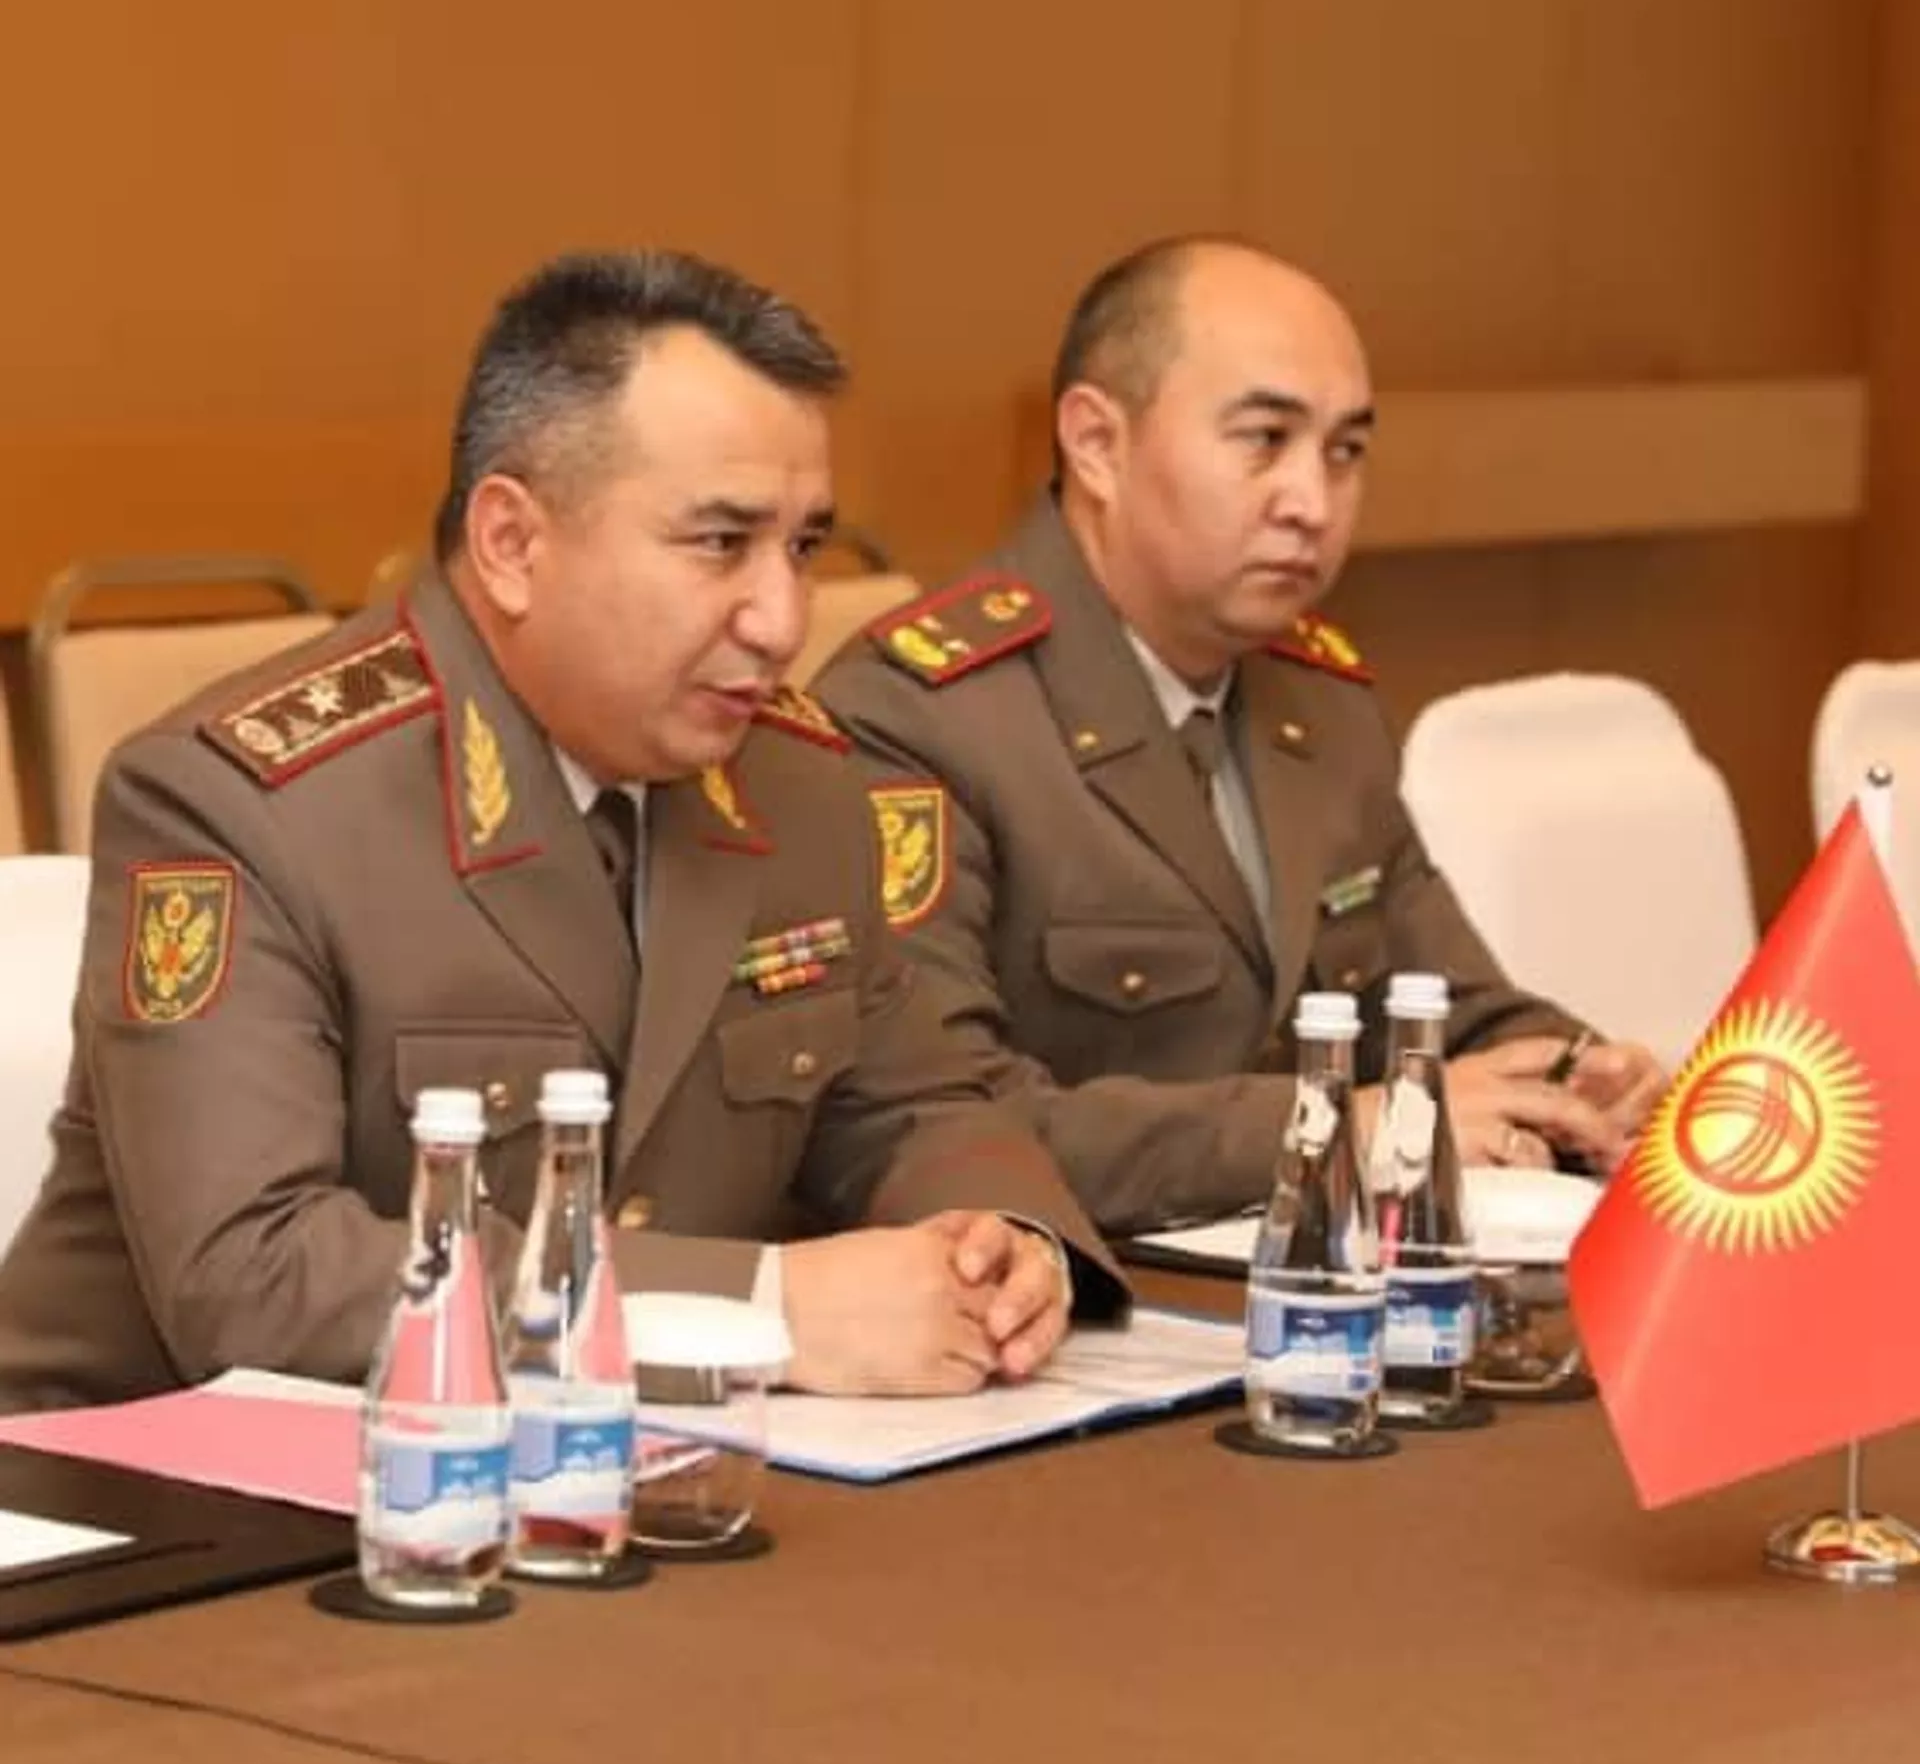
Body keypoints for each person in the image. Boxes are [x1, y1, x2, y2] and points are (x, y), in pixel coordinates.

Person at [0, 250, 1126, 1411]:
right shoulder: (244, 805)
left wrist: (1003, 1243)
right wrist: (756, 1311)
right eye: (720, 543)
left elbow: (913, 1101)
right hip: (156, 1481)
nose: (782, 618)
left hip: (620, 1469)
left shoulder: (801, 784)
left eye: (802, 547)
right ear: (511, 543)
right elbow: (254, 1274)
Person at [816, 236, 1665, 1235]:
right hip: (1076, 1293)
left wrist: (1578, 1075)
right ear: (1097, 443)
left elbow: (1446, 1004)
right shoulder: (923, 716)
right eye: (1264, 440)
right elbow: (945, 1124)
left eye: (1344, 452)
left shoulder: (1320, 700)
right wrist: (1331, 1127)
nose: (1313, 503)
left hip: (1303, 1277)